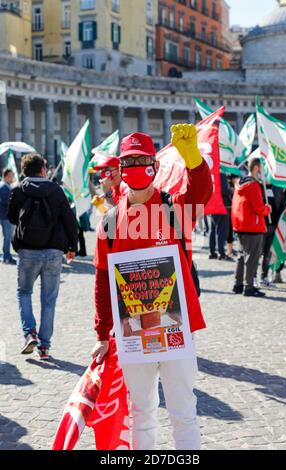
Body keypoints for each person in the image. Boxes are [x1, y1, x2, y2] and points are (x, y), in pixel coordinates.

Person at [91, 125, 213, 450]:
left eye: (141, 160)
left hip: (176, 327)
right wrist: (103, 334)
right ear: (120, 170)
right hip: (132, 334)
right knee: (142, 410)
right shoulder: (109, 221)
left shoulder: (175, 209)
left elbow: (201, 191)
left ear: (154, 166)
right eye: (128, 163)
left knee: (183, 411)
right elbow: (103, 281)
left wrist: (194, 160)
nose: (134, 168)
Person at [8, 153, 78, 360]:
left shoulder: (19, 190)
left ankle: (29, 333)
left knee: (24, 292)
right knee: (49, 300)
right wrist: (72, 247)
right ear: (42, 170)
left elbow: (12, 217)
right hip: (54, 252)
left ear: (24, 171)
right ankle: (45, 346)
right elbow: (69, 219)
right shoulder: (56, 190)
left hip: (27, 250)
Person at [231, 157, 272, 297]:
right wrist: (268, 209)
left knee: (242, 256)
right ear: (256, 167)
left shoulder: (239, 183)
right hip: (252, 226)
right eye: (261, 167)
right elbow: (259, 208)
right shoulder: (253, 185)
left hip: (241, 225)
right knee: (252, 258)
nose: (262, 170)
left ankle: (238, 285)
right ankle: (248, 287)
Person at [209, 172, 233, 261]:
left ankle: (212, 251)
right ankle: (221, 252)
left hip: (213, 205)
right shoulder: (221, 175)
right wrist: (231, 189)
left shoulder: (211, 173)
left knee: (213, 230)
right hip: (222, 205)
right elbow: (223, 190)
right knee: (221, 231)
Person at [0, 169, 16, 264]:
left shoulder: (5, 186)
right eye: (11, 176)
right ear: (6, 176)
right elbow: (6, 202)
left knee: (7, 237)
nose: (12, 178)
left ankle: (6, 255)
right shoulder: (3, 187)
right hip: (5, 216)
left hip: (4, 215)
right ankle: (6, 256)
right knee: (7, 237)